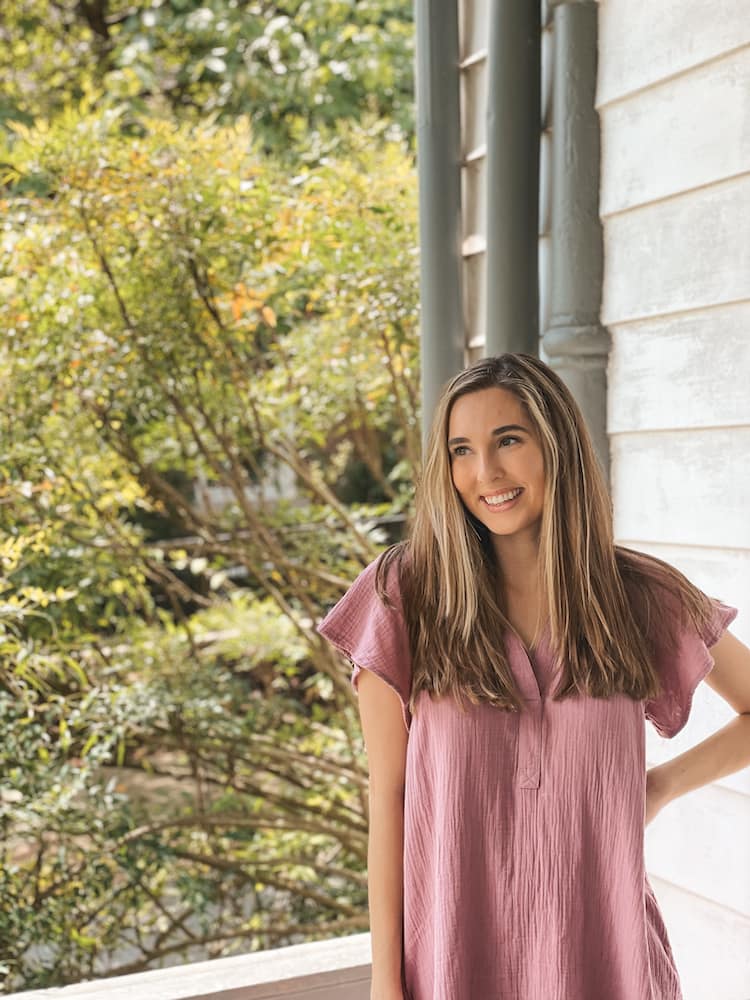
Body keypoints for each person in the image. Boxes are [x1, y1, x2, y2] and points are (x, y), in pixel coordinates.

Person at [316, 353, 750, 1000]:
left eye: (508, 441)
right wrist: (386, 982)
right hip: (452, 963)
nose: (484, 472)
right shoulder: (403, 595)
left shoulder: (636, 596)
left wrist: (655, 789)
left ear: (558, 446)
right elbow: (392, 797)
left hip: (609, 960)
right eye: (462, 450)